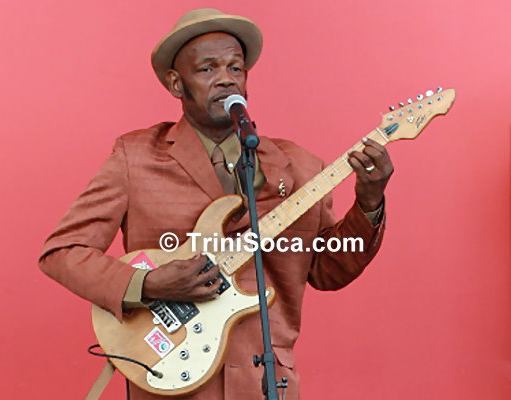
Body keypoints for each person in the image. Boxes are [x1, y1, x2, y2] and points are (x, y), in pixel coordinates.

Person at [38, 8, 393, 400]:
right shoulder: (135, 157)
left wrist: (369, 202)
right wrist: (148, 283)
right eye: (207, 69)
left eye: (235, 68)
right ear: (176, 83)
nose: (226, 78)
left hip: (265, 383)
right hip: (170, 379)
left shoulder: (301, 167)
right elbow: (63, 251)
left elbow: (329, 270)